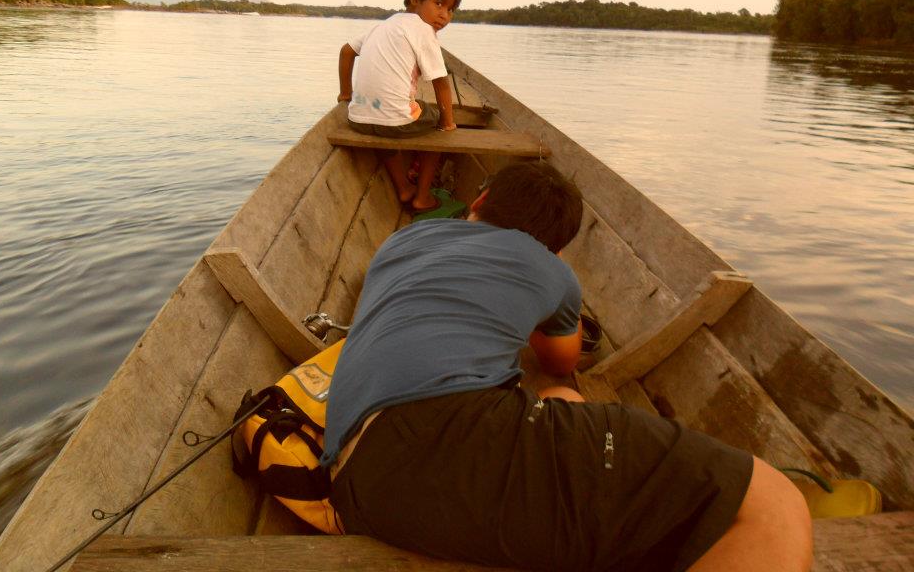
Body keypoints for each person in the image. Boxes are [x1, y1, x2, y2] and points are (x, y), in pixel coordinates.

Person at [321, 161, 813, 572]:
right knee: (771, 504)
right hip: (448, 441)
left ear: (477, 202)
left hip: (356, 481)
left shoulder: (402, 242)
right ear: (556, 245)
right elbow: (560, 359)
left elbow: (555, 384)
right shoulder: (552, 269)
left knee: (564, 402)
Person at [337, 0, 461, 213]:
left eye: (451, 9)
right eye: (439, 4)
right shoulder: (423, 30)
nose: (445, 15)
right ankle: (422, 197)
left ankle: (404, 187)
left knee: (388, 123)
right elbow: (441, 83)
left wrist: (346, 94)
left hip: (357, 118)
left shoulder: (383, 25)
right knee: (437, 122)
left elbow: (346, 51)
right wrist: (447, 124)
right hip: (396, 120)